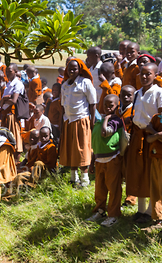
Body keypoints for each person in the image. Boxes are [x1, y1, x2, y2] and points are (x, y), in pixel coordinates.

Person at [125, 63, 162, 224]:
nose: (145, 76)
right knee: (137, 172)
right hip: (137, 136)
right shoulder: (138, 92)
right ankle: (140, 209)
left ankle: (150, 211)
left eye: (148, 74)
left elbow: (160, 116)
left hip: (151, 138)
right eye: (142, 74)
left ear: (155, 75)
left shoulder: (159, 92)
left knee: (150, 173)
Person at [87, 94, 123, 227]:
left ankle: (113, 215)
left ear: (117, 106)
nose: (108, 107)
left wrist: (106, 118)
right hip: (99, 160)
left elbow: (105, 133)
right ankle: (100, 210)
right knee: (100, 188)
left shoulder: (115, 120)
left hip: (112, 159)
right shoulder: (99, 120)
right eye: (105, 105)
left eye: (111, 105)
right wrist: (92, 161)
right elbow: (95, 142)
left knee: (113, 188)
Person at [60, 58, 97, 187]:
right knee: (71, 149)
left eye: (75, 69)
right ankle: (73, 177)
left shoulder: (85, 83)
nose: (72, 71)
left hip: (81, 119)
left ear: (79, 70)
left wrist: (91, 121)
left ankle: (85, 179)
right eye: (70, 69)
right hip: (68, 120)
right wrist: (62, 122)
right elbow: (63, 105)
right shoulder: (65, 85)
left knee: (81, 149)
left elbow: (92, 103)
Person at [0, 63, 25, 155]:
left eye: (10, 71)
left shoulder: (18, 84)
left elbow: (14, 100)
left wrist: (5, 99)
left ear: (15, 72)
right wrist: (5, 98)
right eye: (6, 71)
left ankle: (16, 157)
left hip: (12, 113)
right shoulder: (8, 84)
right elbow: (1, 101)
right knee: (5, 136)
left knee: (14, 135)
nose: (7, 73)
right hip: (5, 112)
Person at [146, 100, 162, 226]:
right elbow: (148, 138)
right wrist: (157, 135)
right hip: (155, 156)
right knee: (155, 188)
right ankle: (158, 217)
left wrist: (154, 133)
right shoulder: (156, 118)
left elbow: (152, 135)